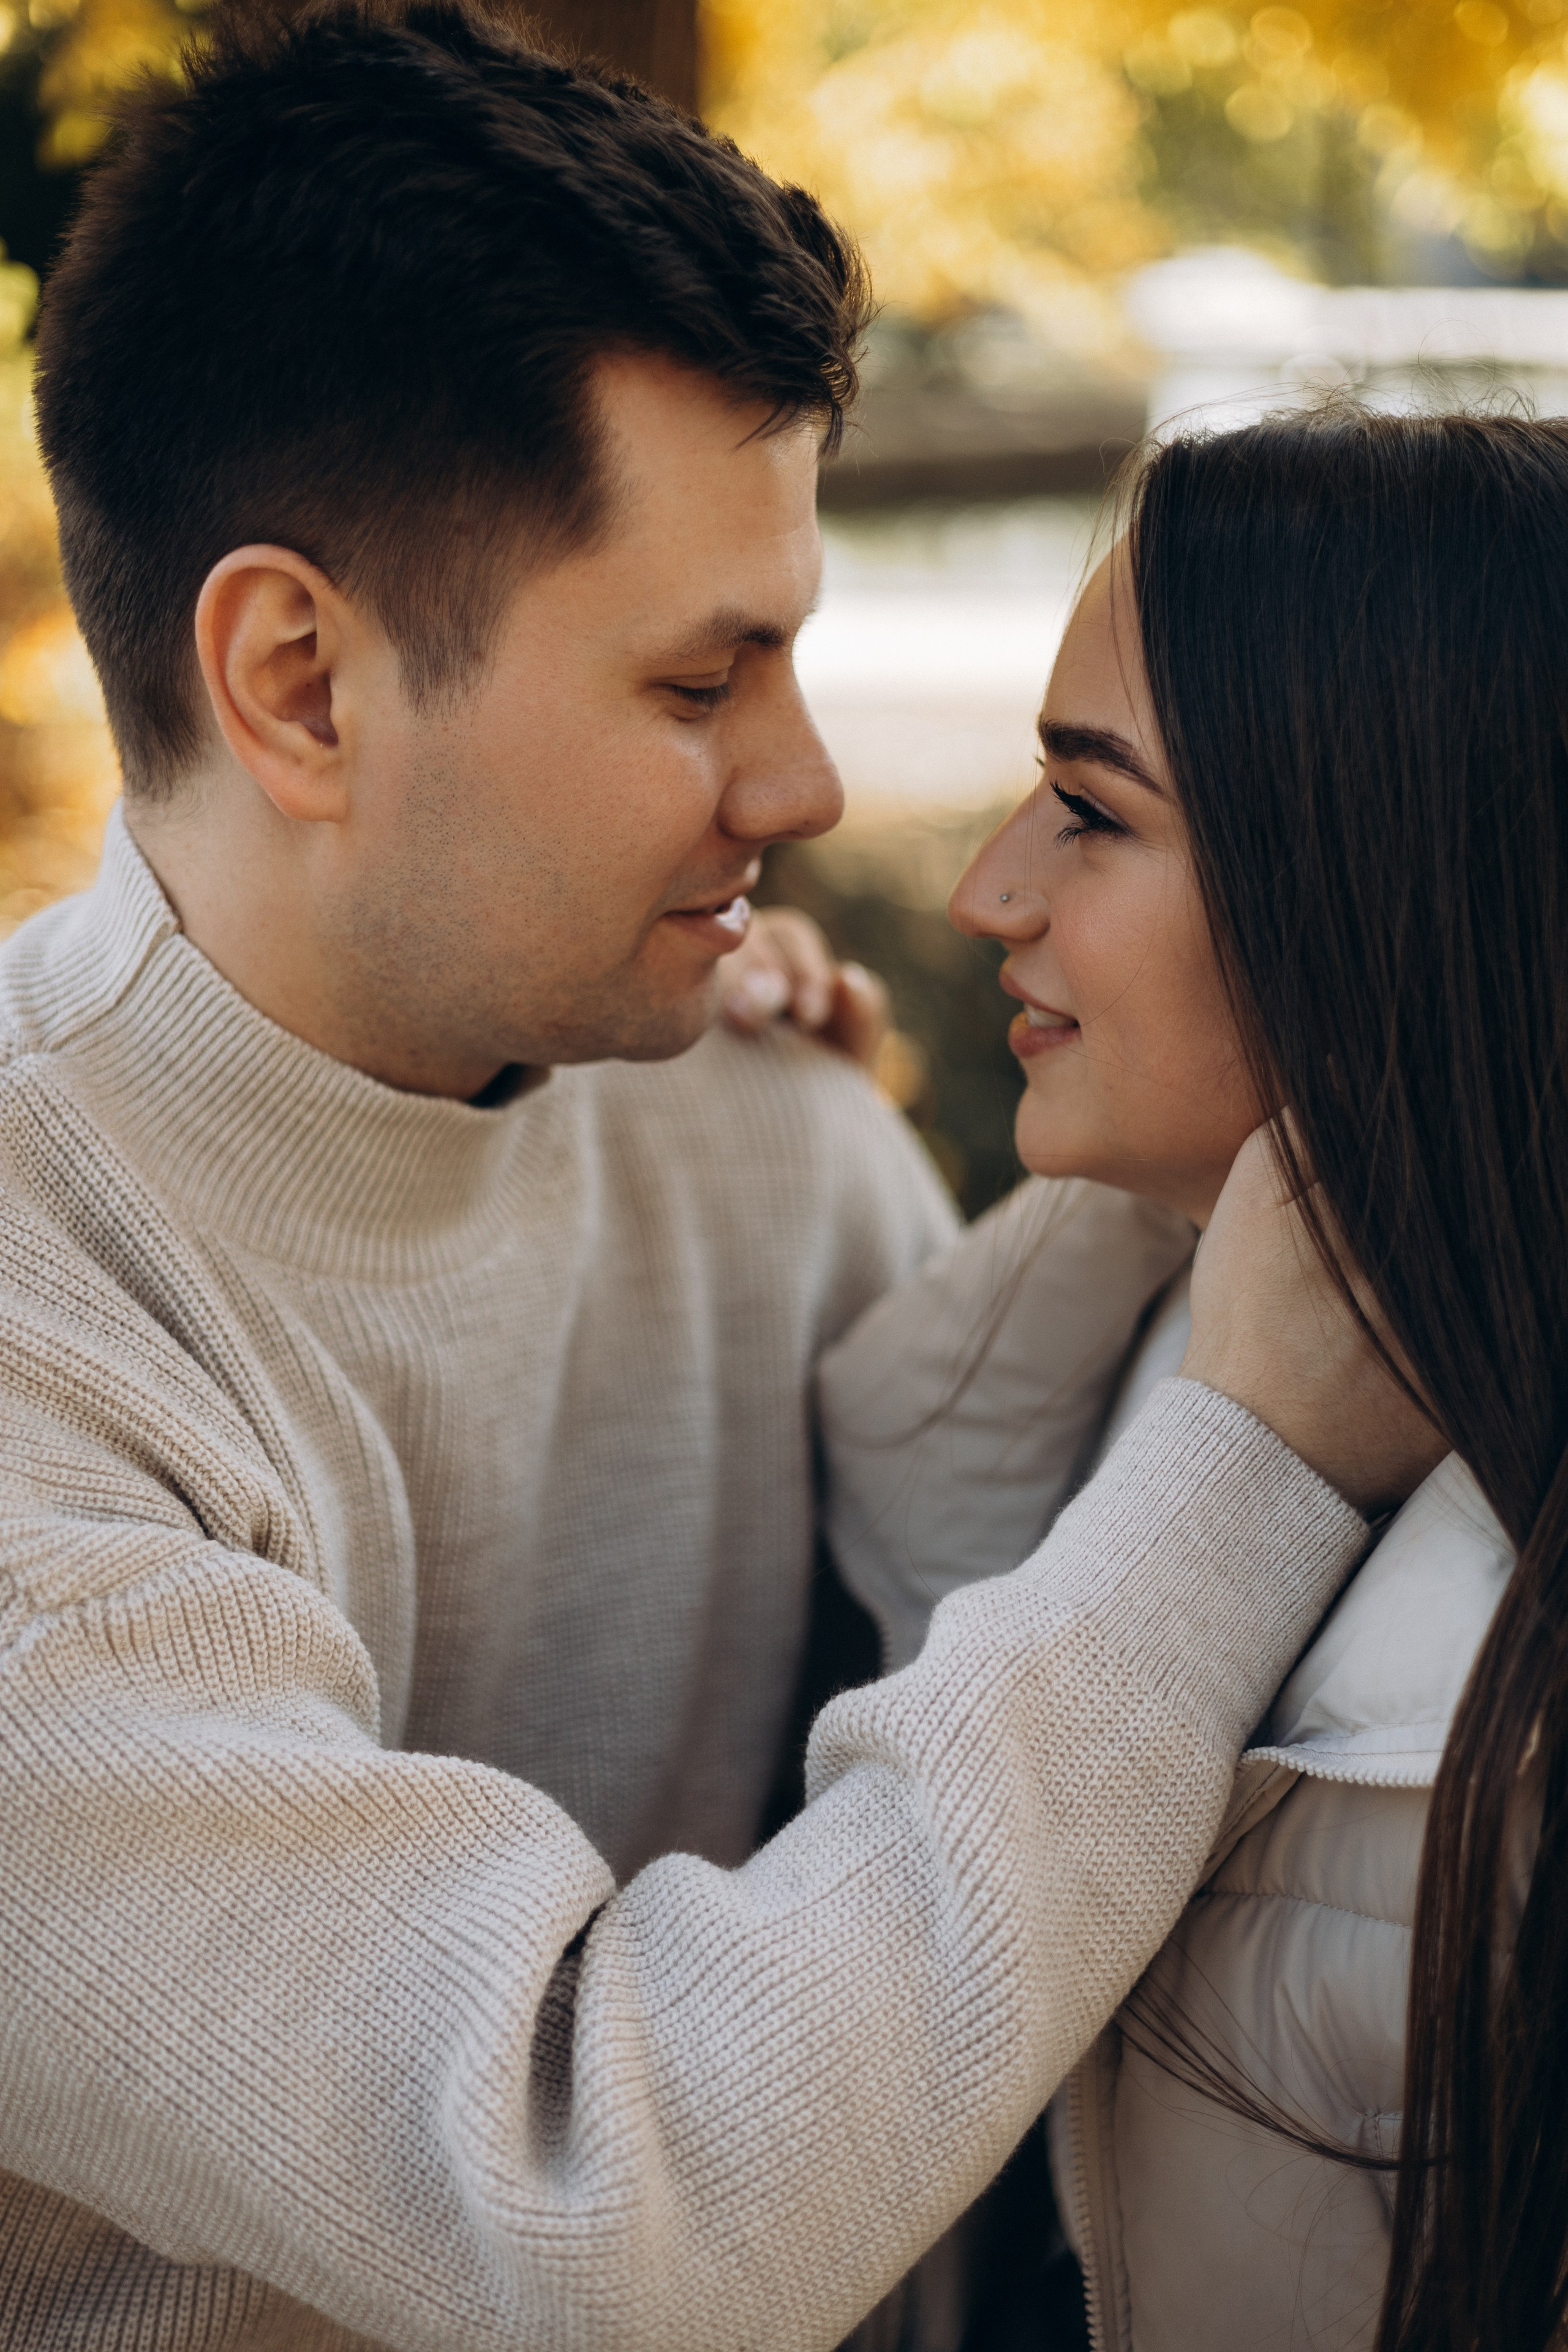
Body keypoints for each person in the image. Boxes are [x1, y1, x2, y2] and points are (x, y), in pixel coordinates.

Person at [0, 4, 1443, 2348]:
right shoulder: (39, 1331)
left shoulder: (763, 1137)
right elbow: (598, 2199)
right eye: (702, 683)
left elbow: (1001, 1785)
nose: (802, 779)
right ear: (295, 682)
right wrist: (1254, 1458)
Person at [821, 406, 1568, 2352]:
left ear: (1381, 874)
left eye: (1093, 808)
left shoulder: (1492, 1755)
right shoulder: (1153, 1362)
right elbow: (916, 1459)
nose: (989, 893)